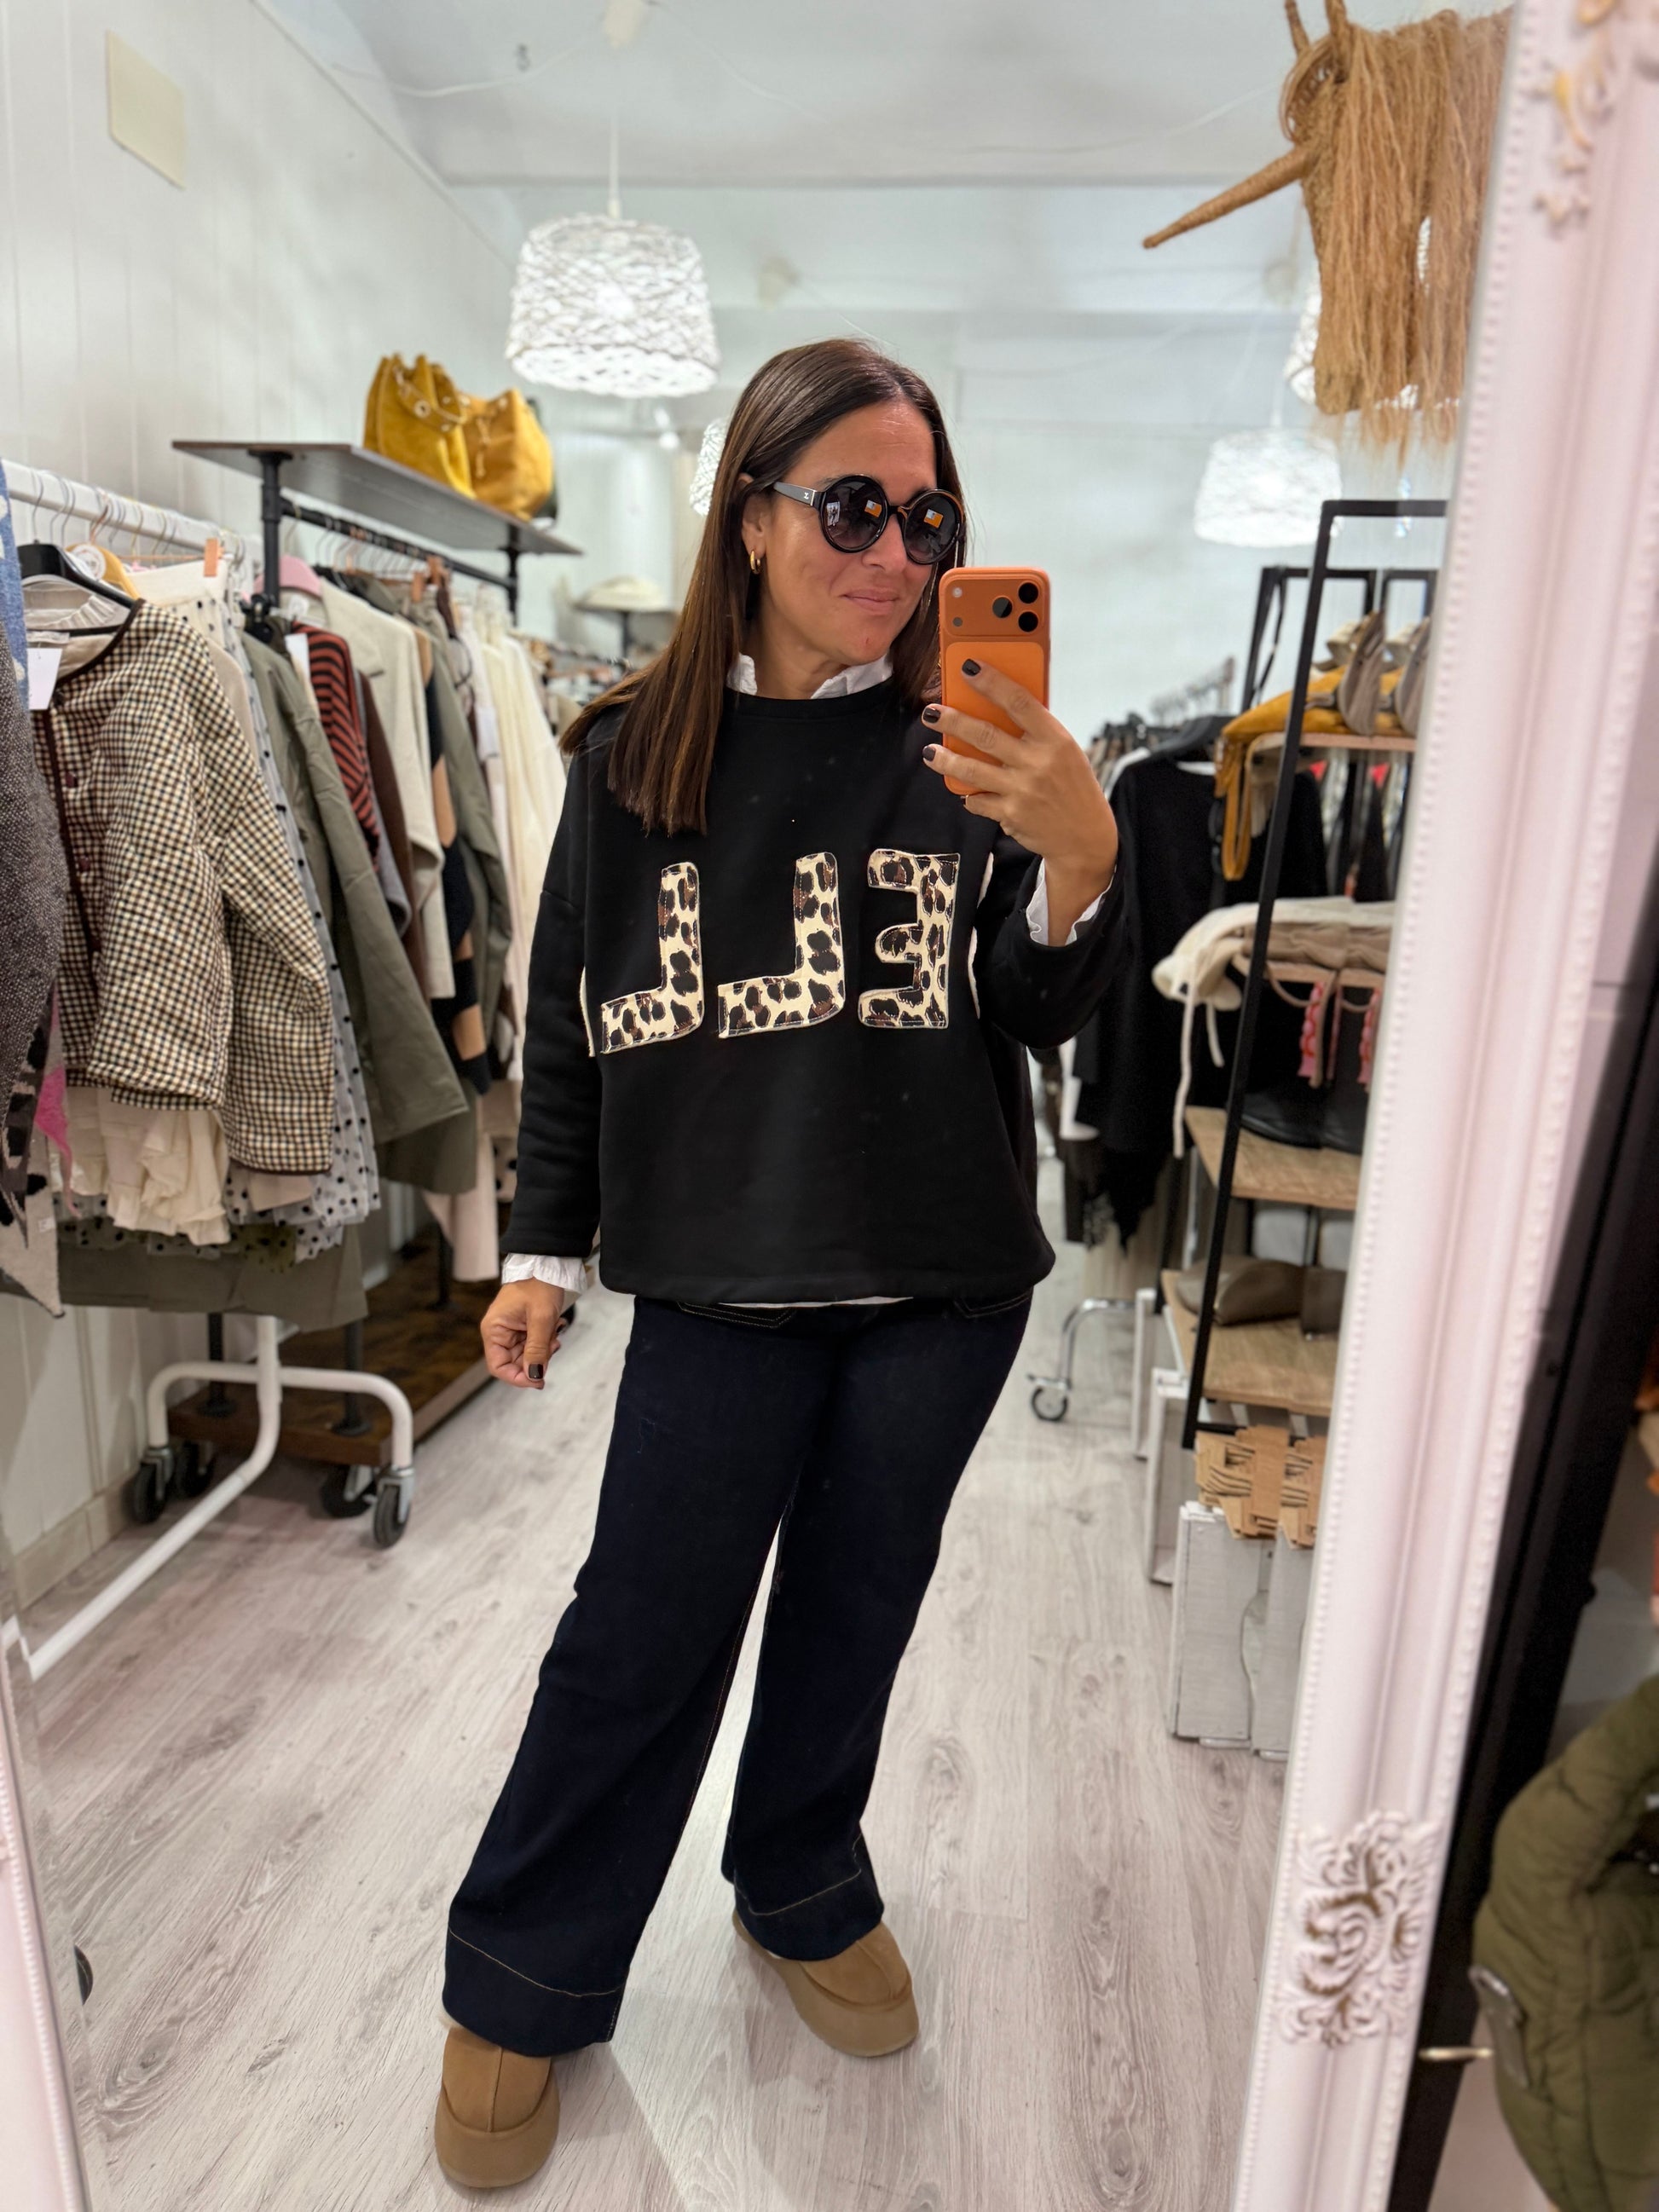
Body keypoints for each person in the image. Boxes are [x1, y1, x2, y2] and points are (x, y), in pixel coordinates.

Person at [431, 338, 1124, 2190]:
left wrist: (1077, 861)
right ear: (749, 517)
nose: (895, 552)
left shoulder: (969, 752)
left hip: (938, 1283)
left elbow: (1032, 1009)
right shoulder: (628, 758)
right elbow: (570, 1025)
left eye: (928, 519)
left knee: (854, 1609)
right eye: (852, 508)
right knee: (638, 1633)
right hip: (716, 1282)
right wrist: (541, 1251)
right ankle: (524, 1967)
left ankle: (801, 1875)